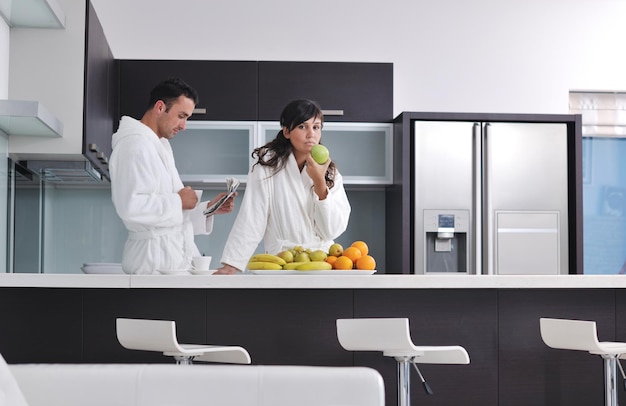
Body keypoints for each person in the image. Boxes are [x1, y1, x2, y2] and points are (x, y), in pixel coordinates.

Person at [109, 77, 236, 274]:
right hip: (151, 263)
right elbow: (131, 207)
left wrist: (208, 209)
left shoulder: (160, 146)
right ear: (160, 107)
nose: (184, 126)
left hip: (168, 261)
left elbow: (171, 219)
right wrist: (178, 200)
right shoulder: (134, 144)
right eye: (181, 116)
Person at [216, 99, 351, 274]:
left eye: (316, 127)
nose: (311, 134)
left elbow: (331, 230)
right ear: (286, 131)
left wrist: (319, 182)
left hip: (321, 264)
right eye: (302, 127)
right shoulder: (267, 168)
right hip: (280, 264)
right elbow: (252, 218)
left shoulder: (330, 173)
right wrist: (231, 264)